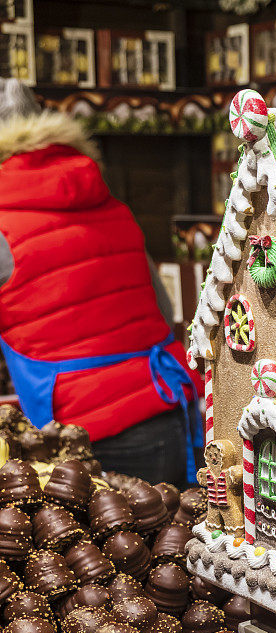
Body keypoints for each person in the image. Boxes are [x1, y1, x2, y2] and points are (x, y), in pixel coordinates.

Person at [0, 78, 204, 487]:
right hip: (171, 408)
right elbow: (162, 311)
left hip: (84, 436)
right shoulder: (110, 204)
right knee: (179, 545)